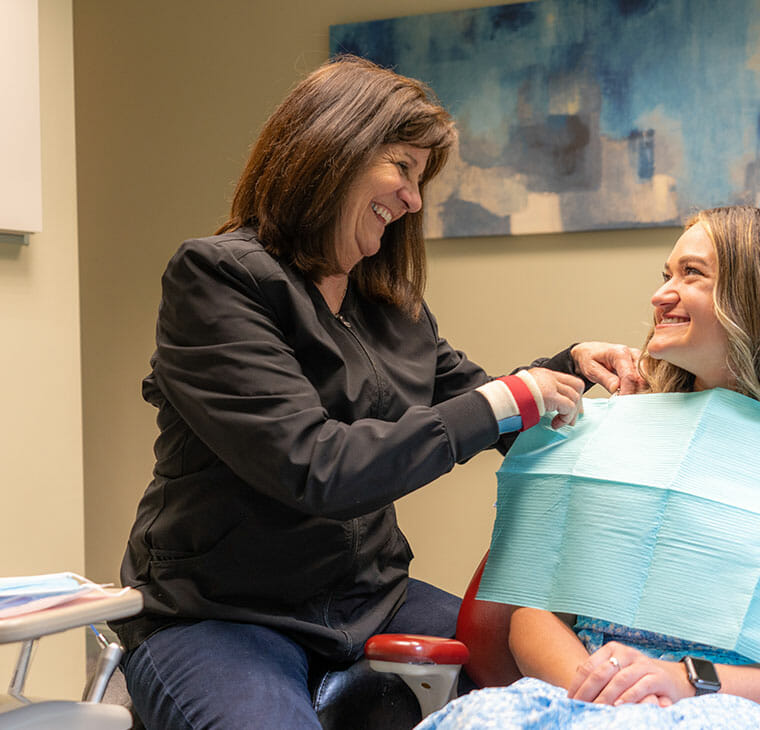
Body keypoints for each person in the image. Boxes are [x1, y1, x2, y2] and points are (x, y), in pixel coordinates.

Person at [109, 55, 641, 730]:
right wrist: (513, 395)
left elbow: (483, 408)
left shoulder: (390, 307)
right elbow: (316, 466)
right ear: (332, 150)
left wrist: (567, 370)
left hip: (369, 600)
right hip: (221, 612)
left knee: (552, 693)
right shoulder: (218, 280)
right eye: (404, 169)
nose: (414, 200)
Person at [415, 207, 760, 730]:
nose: (660, 294)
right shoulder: (602, 438)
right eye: (665, 273)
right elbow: (532, 614)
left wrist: (684, 682)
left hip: (735, 708)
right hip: (585, 699)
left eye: (692, 274)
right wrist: (614, 701)